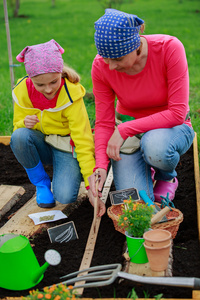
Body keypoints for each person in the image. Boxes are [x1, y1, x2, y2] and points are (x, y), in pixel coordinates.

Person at [88, 9, 195, 207]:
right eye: (105, 58)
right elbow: (104, 122)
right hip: (131, 135)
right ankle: (147, 165)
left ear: (135, 46)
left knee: (155, 148)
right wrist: (101, 166)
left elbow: (177, 113)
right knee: (133, 201)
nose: (110, 67)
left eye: (118, 59)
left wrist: (124, 129)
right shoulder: (100, 66)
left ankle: (166, 176)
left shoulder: (168, 48)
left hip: (171, 129)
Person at [10, 39, 105, 216]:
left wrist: (89, 184)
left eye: (54, 82)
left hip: (66, 147)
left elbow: (83, 140)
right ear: (30, 79)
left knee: (65, 196)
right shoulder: (22, 91)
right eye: (40, 85)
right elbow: (17, 126)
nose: (48, 89)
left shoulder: (71, 94)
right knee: (20, 136)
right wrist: (24, 123)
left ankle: (65, 167)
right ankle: (41, 184)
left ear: (60, 73)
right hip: (41, 143)